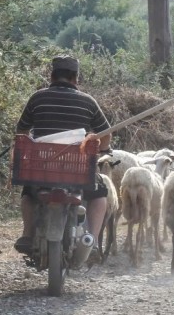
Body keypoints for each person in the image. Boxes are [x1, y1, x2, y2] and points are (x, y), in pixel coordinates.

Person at [14, 55, 112, 258]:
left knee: (28, 193)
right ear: (76, 78)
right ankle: (92, 240)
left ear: (51, 76)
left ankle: (27, 234)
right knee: (100, 194)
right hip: (76, 171)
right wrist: (104, 149)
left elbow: (21, 131)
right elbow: (105, 133)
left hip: (41, 169)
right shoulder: (88, 101)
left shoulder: (37, 98)